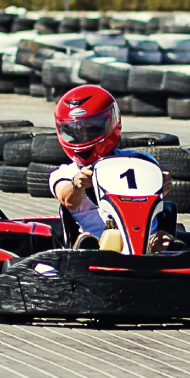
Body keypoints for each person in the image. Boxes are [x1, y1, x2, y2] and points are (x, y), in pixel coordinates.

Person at [47, 85, 170, 253]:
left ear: (111, 123)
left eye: (91, 129)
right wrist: (77, 184)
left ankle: (167, 256)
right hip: (95, 246)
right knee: (88, 242)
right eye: (75, 131)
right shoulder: (64, 174)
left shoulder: (140, 161)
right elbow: (68, 200)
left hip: (146, 243)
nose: (83, 137)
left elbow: (157, 201)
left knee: (164, 240)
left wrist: (161, 184)